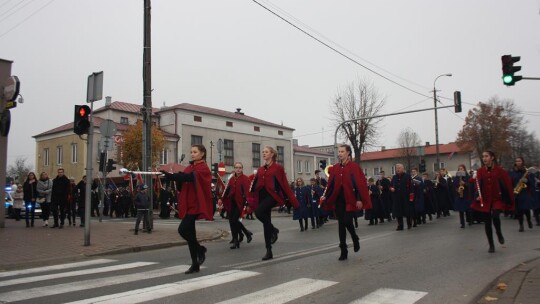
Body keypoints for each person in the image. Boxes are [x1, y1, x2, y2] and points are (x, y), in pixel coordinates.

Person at [161, 144, 213, 274]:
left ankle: (200, 249)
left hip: (196, 204)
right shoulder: (190, 167)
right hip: (188, 202)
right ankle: (195, 264)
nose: (192, 154)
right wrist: (173, 176)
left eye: (195, 152)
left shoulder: (203, 168)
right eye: (191, 152)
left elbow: (190, 178)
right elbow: (183, 179)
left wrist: (173, 176)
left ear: (202, 154)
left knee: (182, 229)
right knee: (191, 234)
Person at [320, 144, 371, 261]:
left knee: (347, 221)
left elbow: (360, 184)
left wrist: (359, 199)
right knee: (341, 225)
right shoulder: (335, 167)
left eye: (342, 151)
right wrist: (325, 197)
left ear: (348, 153)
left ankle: (354, 237)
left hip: (351, 199)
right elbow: (330, 185)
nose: (340, 153)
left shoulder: (354, 167)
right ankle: (343, 249)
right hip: (339, 200)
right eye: (339, 151)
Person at [249, 146, 299, 261]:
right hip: (262, 196)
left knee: (258, 212)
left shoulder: (278, 168)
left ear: (272, 154)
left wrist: (293, 201)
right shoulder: (261, 169)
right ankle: (269, 250)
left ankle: (273, 229)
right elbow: (254, 184)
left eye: (266, 152)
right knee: (266, 224)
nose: (263, 153)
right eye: (263, 152)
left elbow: (285, 185)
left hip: (272, 196)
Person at [471, 150, 514, 253]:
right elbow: (477, 184)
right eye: (483, 156)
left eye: (486, 156)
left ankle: (499, 232)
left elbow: (507, 183)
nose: (484, 158)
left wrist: (509, 197)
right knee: (487, 222)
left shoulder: (499, 170)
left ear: (492, 157)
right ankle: (491, 244)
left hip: (496, 199)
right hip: (485, 199)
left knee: (495, 216)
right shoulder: (481, 171)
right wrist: (476, 192)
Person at [218, 162, 253, 249]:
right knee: (231, 220)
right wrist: (221, 199)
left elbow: (248, 192)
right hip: (232, 202)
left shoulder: (245, 179)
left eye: (240, 167)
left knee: (234, 220)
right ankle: (244, 234)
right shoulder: (232, 179)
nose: (238, 169)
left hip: (240, 203)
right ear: (234, 168)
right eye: (236, 167)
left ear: (242, 169)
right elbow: (227, 189)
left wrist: (248, 204)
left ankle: (237, 240)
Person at [509, 157, 537, 232]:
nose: (518, 162)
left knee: (526, 208)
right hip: (517, 192)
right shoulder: (513, 172)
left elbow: (531, 181)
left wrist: (527, 180)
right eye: (516, 161)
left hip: (525, 192)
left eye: (519, 161)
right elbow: (510, 181)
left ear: (522, 162)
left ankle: (528, 220)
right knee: (519, 210)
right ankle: (521, 225)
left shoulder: (526, 171)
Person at [390, 164, 414, 230]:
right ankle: (400, 225)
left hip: (406, 197)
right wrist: (391, 188)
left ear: (403, 169)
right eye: (397, 168)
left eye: (399, 168)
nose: (398, 169)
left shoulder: (407, 176)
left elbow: (411, 187)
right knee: (398, 212)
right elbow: (391, 185)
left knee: (407, 211)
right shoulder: (394, 177)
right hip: (397, 197)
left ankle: (409, 224)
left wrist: (411, 197)